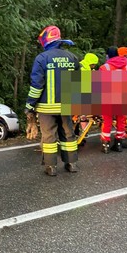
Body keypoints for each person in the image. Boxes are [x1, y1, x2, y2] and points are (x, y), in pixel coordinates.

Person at [25, 25, 80, 176]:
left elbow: (37, 85)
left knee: (49, 135)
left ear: (45, 40)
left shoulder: (42, 58)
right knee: (68, 134)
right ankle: (72, 164)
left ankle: (51, 167)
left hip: (46, 107)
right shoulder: (72, 57)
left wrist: (30, 104)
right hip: (66, 105)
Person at [99, 46, 127, 153]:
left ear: (108, 55)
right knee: (121, 121)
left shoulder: (105, 67)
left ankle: (106, 145)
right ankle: (118, 144)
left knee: (107, 120)